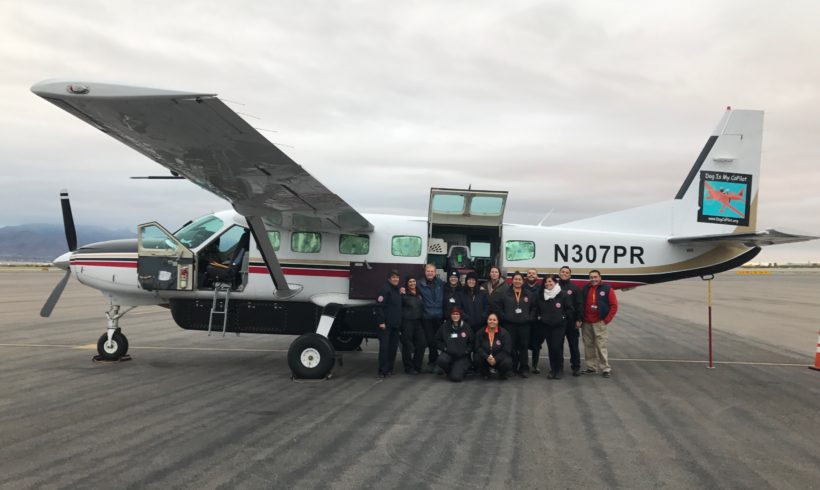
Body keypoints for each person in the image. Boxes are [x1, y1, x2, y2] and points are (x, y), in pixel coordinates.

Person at [578, 270, 618, 378]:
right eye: (591, 277)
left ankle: (605, 368)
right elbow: (581, 303)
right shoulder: (586, 288)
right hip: (586, 322)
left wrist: (606, 320)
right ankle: (591, 368)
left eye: (595, 277)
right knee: (588, 345)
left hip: (599, 322)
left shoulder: (607, 289)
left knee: (601, 345)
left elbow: (614, 306)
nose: (593, 279)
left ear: (600, 277)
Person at [535, 275, 573, 379]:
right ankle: (553, 369)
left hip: (559, 326)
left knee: (557, 347)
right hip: (546, 326)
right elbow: (537, 309)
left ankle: (559, 369)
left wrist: (563, 317)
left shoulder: (563, 294)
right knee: (551, 348)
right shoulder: (542, 295)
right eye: (546, 282)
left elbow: (569, 309)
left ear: (555, 282)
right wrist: (540, 317)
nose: (548, 284)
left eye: (550, 281)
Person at [500, 271, 535, 377]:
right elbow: (499, 307)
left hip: (524, 325)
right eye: (515, 279)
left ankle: (524, 368)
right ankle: (512, 367)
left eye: (519, 279)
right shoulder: (505, 293)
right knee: (511, 347)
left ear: (523, 281)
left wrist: (530, 317)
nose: (517, 281)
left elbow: (534, 308)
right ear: (512, 280)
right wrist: (505, 317)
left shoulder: (529, 294)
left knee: (524, 347)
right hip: (510, 325)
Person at [374, 270, 402, 378]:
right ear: (389, 279)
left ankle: (390, 368)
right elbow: (379, 306)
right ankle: (382, 370)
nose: (396, 279)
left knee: (393, 348)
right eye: (393, 277)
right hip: (386, 325)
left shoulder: (396, 290)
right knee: (385, 348)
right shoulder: (385, 290)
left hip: (395, 324)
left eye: (397, 277)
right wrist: (381, 322)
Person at [435, 307, 474, 382]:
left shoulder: (466, 327)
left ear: (460, 315)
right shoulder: (445, 326)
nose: (455, 316)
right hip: (449, 354)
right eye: (453, 314)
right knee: (441, 360)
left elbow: (472, 342)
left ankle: (460, 370)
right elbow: (437, 340)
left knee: (456, 378)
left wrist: (467, 351)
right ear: (450, 315)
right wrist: (445, 348)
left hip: (462, 357)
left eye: (457, 314)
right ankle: (451, 370)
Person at [417, 263, 445, 368]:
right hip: (427, 316)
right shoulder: (419, 284)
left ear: (435, 273)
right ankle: (434, 360)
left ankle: (435, 360)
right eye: (428, 271)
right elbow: (410, 290)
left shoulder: (441, 284)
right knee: (430, 339)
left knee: (438, 339)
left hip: (439, 316)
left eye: (432, 271)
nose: (430, 273)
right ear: (425, 272)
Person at [558, 265, 583, 376]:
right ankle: (559, 367)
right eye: (562, 272)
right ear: (559, 273)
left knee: (573, 345)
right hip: (558, 322)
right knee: (558, 345)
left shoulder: (574, 288)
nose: (564, 273)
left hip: (571, 322)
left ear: (570, 275)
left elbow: (579, 305)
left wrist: (579, 319)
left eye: (567, 272)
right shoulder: (554, 286)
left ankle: (576, 367)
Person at [474, 313, 513, 380]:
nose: (492, 321)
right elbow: (477, 347)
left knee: (507, 362)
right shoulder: (480, 332)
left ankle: (502, 373)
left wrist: (496, 359)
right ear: (487, 321)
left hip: (498, 359)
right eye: (490, 319)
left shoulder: (504, 333)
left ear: (498, 321)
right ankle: (485, 372)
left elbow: (507, 350)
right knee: (477, 357)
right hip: (486, 358)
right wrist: (486, 356)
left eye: (494, 320)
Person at [400, 277, 426, 375]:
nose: (412, 283)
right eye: (410, 282)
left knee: (422, 343)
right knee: (407, 345)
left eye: (414, 281)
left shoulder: (419, 293)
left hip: (418, 322)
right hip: (407, 322)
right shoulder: (403, 294)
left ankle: (417, 366)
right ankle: (408, 367)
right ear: (407, 283)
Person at [523, 268, 542, 372]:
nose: (531, 275)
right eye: (529, 273)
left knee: (536, 345)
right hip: (524, 320)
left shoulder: (541, 288)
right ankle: (524, 365)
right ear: (526, 276)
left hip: (536, 321)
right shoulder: (521, 287)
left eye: (533, 273)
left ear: (537, 276)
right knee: (523, 344)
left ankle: (535, 365)